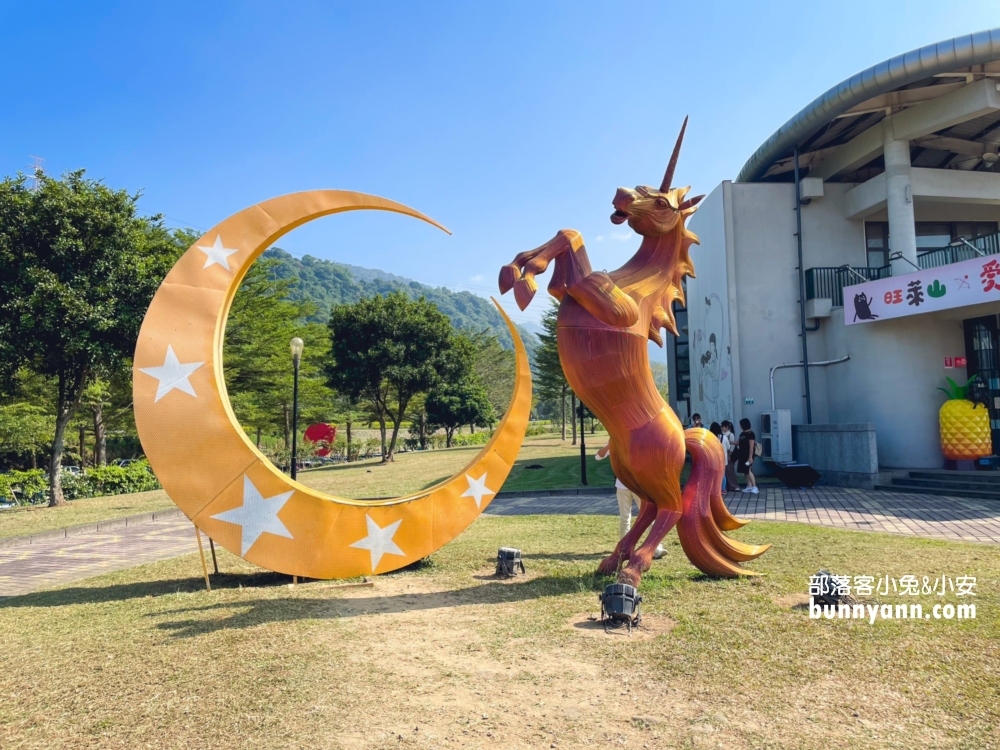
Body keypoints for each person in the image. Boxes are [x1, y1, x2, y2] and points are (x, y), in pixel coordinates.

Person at [595, 442, 665, 559]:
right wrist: (610, 445)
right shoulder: (616, 443)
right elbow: (597, 457)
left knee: (647, 517)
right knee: (625, 517)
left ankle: (656, 548)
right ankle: (624, 549)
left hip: (638, 487)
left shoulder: (637, 443)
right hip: (622, 487)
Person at [735, 417, 758, 494]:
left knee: (748, 470)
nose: (740, 426)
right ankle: (749, 486)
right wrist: (728, 440)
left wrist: (750, 457)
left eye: (740, 424)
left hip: (748, 455)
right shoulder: (742, 433)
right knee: (745, 471)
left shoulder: (751, 434)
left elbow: (751, 446)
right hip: (742, 454)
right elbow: (737, 443)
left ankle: (754, 487)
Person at [721, 420, 741, 491]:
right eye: (722, 426)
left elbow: (732, 446)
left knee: (730, 470)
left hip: (729, 453)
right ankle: (728, 486)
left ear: (727, 427)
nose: (722, 428)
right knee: (725, 471)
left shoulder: (730, 434)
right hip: (725, 453)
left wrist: (730, 454)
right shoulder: (722, 434)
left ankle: (734, 485)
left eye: (724, 426)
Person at [708, 422, 725, 492]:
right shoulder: (723, 437)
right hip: (722, 457)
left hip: (713, 457)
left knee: (713, 473)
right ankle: (722, 489)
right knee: (723, 474)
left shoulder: (709, 436)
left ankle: (714, 488)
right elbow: (728, 447)